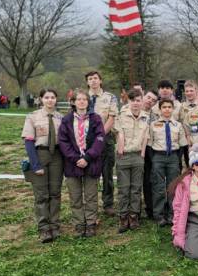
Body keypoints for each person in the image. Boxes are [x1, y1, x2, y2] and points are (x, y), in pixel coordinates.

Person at [58, 89, 105, 238]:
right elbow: (63, 141)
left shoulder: (96, 119)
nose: (82, 101)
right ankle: (79, 224)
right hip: (72, 163)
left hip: (91, 162)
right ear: (73, 102)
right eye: (79, 99)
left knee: (91, 196)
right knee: (75, 196)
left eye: (85, 99)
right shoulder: (66, 120)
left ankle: (91, 223)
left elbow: (100, 138)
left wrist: (88, 157)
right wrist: (75, 158)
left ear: (88, 102)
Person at [21, 89, 63, 243]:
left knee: (55, 193)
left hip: (57, 157)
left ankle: (55, 226)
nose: (50, 100)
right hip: (40, 155)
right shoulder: (32, 117)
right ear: (41, 99)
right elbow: (29, 142)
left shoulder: (61, 118)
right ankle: (44, 229)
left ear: (56, 99)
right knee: (41, 195)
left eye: (52, 97)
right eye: (47, 97)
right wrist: (35, 164)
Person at [149, 99, 188, 226]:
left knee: (173, 187)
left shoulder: (178, 125)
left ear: (173, 109)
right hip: (158, 156)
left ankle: (172, 214)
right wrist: (154, 159)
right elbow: (149, 145)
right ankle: (159, 215)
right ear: (160, 109)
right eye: (164, 107)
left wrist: (177, 159)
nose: (167, 109)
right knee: (158, 187)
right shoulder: (153, 125)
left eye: (169, 107)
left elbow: (182, 145)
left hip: (173, 157)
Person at [115, 89, 149, 233]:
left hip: (138, 156)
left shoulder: (146, 117)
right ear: (128, 101)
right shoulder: (121, 116)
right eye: (133, 100)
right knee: (124, 189)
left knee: (136, 188)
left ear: (142, 102)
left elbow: (146, 137)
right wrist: (120, 150)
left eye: (138, 100)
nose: (135, 103)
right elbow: (119, 133)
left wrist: (142, 153)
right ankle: (123, 217)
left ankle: (134, 215)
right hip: (124, 155)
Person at [86, 70, 118, 217]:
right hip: (86, 141)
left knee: (107, 173)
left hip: (106, 139)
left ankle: (108, 204)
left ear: (100, 80)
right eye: (90, 79)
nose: (93, 81)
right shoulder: (82, 97)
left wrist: (100, 137)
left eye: (95, 78)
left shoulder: (110, 97)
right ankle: (90, 204)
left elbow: (111, 118)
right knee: (90, 174)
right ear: (87, 82)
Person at [141, 89, 158, 220]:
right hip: (133, 149)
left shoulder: (155, 117)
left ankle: (150, 208)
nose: (150, 101)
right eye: (148, 97)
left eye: (153, 100)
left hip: (149, 149)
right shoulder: (129, 110)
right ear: (143, 96)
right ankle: (133, 210)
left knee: (148, 180)